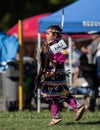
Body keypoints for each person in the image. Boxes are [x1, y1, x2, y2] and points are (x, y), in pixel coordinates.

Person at [35, 25, 85, 126]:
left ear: (55, 35)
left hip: (54, 75)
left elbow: (61, 58)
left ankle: (58, 115)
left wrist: (53, 61)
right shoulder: (53, 44)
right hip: (55, 74)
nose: (46, 35)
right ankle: (73, 108)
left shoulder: (56, 45)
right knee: (60, 94)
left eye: (48, 33)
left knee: (53, 95)